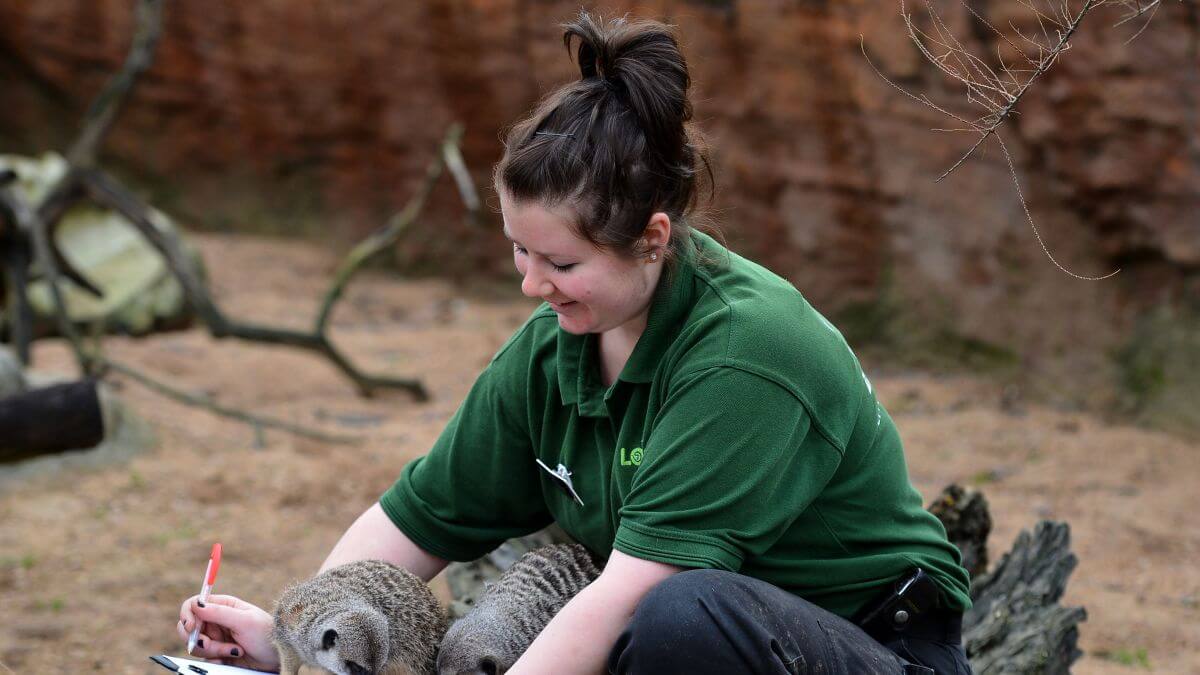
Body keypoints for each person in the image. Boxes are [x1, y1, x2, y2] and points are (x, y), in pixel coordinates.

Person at [178, 12, 973, 675]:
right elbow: (418, 520)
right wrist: (299, 639)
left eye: (561, 262)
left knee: (681, 615)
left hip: (879, 647)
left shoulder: (746, 352)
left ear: (652, 239)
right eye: (520, 252)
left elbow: (634, 595)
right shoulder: (554, 347)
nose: (532, 283)